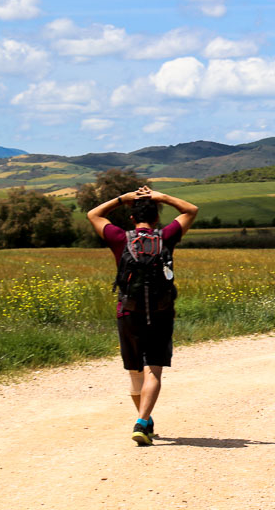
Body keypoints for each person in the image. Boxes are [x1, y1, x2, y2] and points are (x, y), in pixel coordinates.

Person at [87, 185, 198, 446]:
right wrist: (162, 196)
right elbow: (191, 210)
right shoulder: (166, 236)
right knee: (154, 370)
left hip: (128, 311)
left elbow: (93, 214)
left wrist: (121, 199)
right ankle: (142, 421)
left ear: (131, 218)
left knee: (135, 371)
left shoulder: (119, 238)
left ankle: (144, 420)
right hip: (160, 312)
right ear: (157, 218)